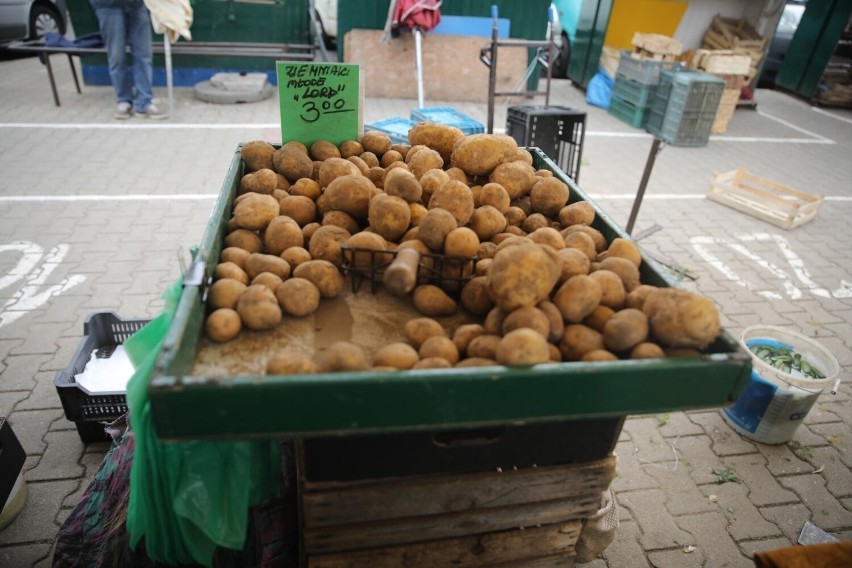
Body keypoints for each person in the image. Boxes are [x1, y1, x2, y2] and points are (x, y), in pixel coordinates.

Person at [89, 0, 167, 119]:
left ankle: (144, 102)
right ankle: (124, 100)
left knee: (144, 55)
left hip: (137, 4)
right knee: (116, 56)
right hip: (108, 6)